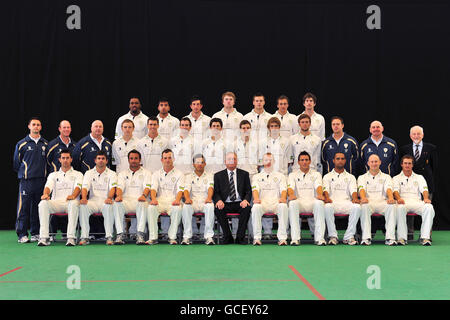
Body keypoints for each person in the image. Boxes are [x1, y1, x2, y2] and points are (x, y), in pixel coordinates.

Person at [37, 149, 83, 246]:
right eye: (63, 158)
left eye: (67, 158)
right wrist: (46, 194)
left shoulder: (78, 174)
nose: (65, 160)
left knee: (74, 203)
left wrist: (73, 196)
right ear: (59, 160)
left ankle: (71, 238)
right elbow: (48, 186)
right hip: (56, 203)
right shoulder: (53, 175)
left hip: (70, 203)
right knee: (43, 203)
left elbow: (78, 187)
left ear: (71, 159)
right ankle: (44, 237)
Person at [13, 118, 48, 243]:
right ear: (29, 126)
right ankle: (22, 234)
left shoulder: (45, 144)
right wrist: (25, 174)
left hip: (41, 181)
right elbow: (16, 164)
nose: (36, 127)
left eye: (38, 124)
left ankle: (35, 233)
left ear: (41, 127)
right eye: (34, 124)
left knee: (38, 208)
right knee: (23, 208)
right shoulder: (22, 144)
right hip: (26, 182)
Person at [393, 155, 434, 246]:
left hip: (416, 202)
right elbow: (395, 191)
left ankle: (425, 237)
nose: (407, 165)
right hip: (403, 202)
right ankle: (402, 238)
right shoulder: (396, 178)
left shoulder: (419, 177)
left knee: (429, 207)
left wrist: (426, 198)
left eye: (409, 163)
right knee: (400, 208)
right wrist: (399, 199)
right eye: (405, 163)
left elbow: (424, 189)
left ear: (412, 165)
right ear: (401, 165)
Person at [112, 149, 152, 245]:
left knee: (143, 203)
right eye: (131, 158)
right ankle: (120, 234)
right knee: (117, 203)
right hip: (126, 200)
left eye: (136, 158)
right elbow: (119, 187)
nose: (133, 160)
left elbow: (147, 187)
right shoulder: (122, 174)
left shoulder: (147, 173)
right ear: (128, 160)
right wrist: (119, 196)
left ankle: (140, 234)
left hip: (140, 200)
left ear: (140, 160)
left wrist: (143, 196)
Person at [78, 151, 118, 245]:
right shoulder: (88, 173)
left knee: (109, 206)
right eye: (99, 158)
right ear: (95, 160)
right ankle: (85, 237)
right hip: (93, 201)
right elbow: (84, 187)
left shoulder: (112, 173)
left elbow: (113, 188)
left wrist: (109, 198)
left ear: (106, 161)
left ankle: (109, 237)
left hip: (106, 200)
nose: (101, 161)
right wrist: (84, 198)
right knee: (83, 206)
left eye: (103, 159)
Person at [287, 151, 326, 246]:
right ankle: (295, 238)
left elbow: (319, 187)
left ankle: (320, 238)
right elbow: (290, 188)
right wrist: (291, 195)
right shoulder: (292, 175)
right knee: (292, 203)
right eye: (302, 160)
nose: (304, 162)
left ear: (310, 161)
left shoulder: (316, 174)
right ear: (298, 162)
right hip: (300, 202)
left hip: (312, 202)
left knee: (320, 203)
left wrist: (320, 194)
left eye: (306, 160)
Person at [147, 149, 185, 245]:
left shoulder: (179, 174)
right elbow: (153, 189)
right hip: (160, 200)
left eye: (169, 158)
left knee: (178, 209)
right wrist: (154, 199)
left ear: (173, 159)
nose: (167, 160)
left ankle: (172, 237)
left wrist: (177, 200)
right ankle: (153, 237)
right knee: (151, 208)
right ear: (161, 160)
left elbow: (180, 190)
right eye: (165, 158)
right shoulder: (156, 173)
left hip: (173, 200)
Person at [213, 152, 252, 244]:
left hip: (239, 202)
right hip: (225, 203)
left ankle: (240, 237)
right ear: (225, 161)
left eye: (234, 159)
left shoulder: (244, 174)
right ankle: (227, 236)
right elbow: (216, 192)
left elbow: (248, 190)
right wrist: (218, 200)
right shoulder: (218, 175)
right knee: (218, 209)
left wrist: (246, 200)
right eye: (229, 159)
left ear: (237, 161)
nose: (232, 161)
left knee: (247, 208)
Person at [358, 154, 397, 246]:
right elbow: (361, 189)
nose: (374, 164)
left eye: (376, 161)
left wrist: (391, 198)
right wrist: (363, 198)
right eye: (372, 162)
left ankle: (390, 238)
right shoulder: (362, 177)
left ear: (380, 162)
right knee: (364, 206)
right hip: (369, 202)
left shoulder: (386, 177)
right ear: (368, 163)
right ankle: (366, 238)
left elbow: (388, 189)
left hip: (382, 202)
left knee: (392, 206)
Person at [322, 153, 360, 246]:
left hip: (346, 202)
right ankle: (333, 236)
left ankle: (349, 236)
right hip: (332, 203)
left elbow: (354, 191)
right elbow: (325, 190)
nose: (340, 160)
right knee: (327, 207)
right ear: (333, 160)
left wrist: (355, 198)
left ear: (345, 161)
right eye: (338, 158)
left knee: (357, 207)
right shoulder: (327, 176)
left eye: (342, 159)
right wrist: (327, 198)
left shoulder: (351, 177)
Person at [251, 153, 289, 246]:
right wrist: (256, 198)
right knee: (255, 207)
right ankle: (257, 238)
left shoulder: (281, 176)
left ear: (274, 161)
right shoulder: (256, 176)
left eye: (270, 160)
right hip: (263, 202)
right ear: (262, 162)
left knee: (283, 206)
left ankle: (282, 238)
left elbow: (283, 189)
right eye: (266, 160)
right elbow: (255, 189)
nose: (268, 162)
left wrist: (283, 198)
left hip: (276, 202)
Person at [181, 154, 215, 245]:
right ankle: (187, 237)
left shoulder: (209, 175)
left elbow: (210, 188)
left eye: (202, 162)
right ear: (193, 164)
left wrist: (209, 198)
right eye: (197, 162)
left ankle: (209, 236)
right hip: (193, 201)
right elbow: (186, 189)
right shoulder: (188, 176)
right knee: (186, 207)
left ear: (205, 164)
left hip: (205, 200)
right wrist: (187, 198)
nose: (199, 164)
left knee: (210, 206)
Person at [400, 126, 437, 196]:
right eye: (414, 134)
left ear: (422, 135)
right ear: (410, 136)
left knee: (426, 206)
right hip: (409, 185)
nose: (416, 136)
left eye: (418, 134)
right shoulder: (404, 149)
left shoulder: (431, 148)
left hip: (427, 183)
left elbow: (434, 167)